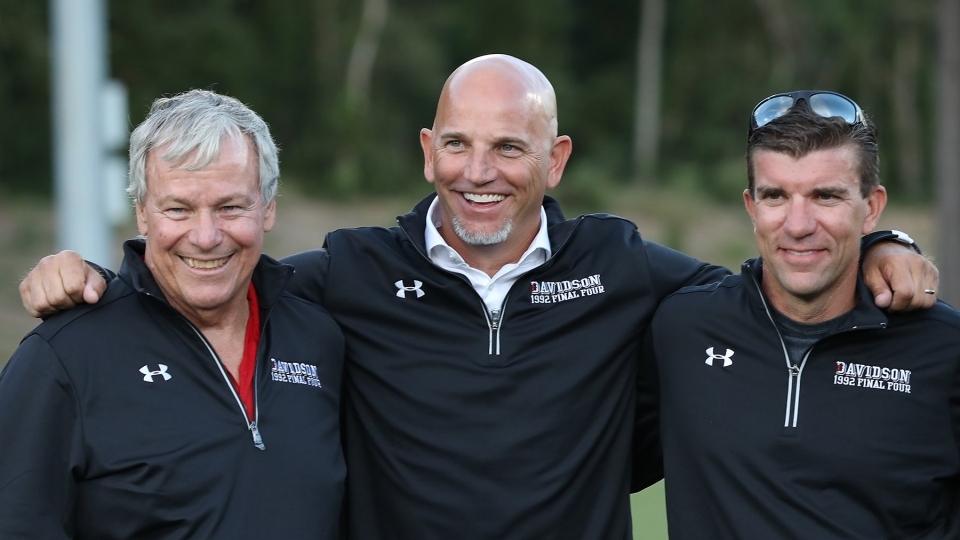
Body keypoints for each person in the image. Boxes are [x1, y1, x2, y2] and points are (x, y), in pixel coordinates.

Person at [18, 58, 938, 539]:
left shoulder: (621, 265)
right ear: (427, 152)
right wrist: (96, 275)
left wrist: (883, 246)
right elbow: (205, 267)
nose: (480, 172)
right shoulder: (348, 273)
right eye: (458, 145)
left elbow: (773, 287)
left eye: (509, 147)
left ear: (556, 159)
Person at [0, 90, 345, 539]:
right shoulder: (63, 356)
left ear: (268, 208)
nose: (205, 236)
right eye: (178, 209)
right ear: (142, 213)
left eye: (230, 207)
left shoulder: (317, 338)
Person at [637, 91, 960, 539]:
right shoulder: (682, 328)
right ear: (752, 207)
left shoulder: (943, 348)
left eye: (825, 196)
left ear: (871, 208)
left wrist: (889, 243)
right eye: (776, 196)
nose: (798, 224)